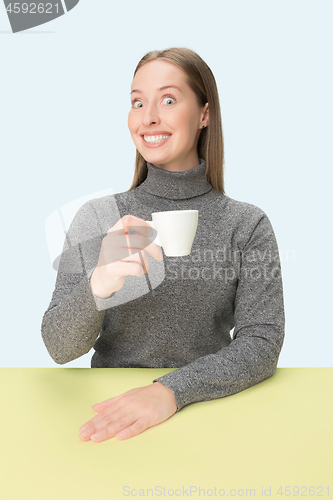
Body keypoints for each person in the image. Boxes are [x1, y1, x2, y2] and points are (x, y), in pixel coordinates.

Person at [41, 47, 285, 443]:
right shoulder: (99, 217)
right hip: (108, 413)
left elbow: (262, 343)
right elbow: (57, 345)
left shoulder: (247, 224)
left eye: (168, 100)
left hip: (210, 410)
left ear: (204, 114)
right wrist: (99, 283)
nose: (148, 116)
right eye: (138, 102)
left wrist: (170, 390)